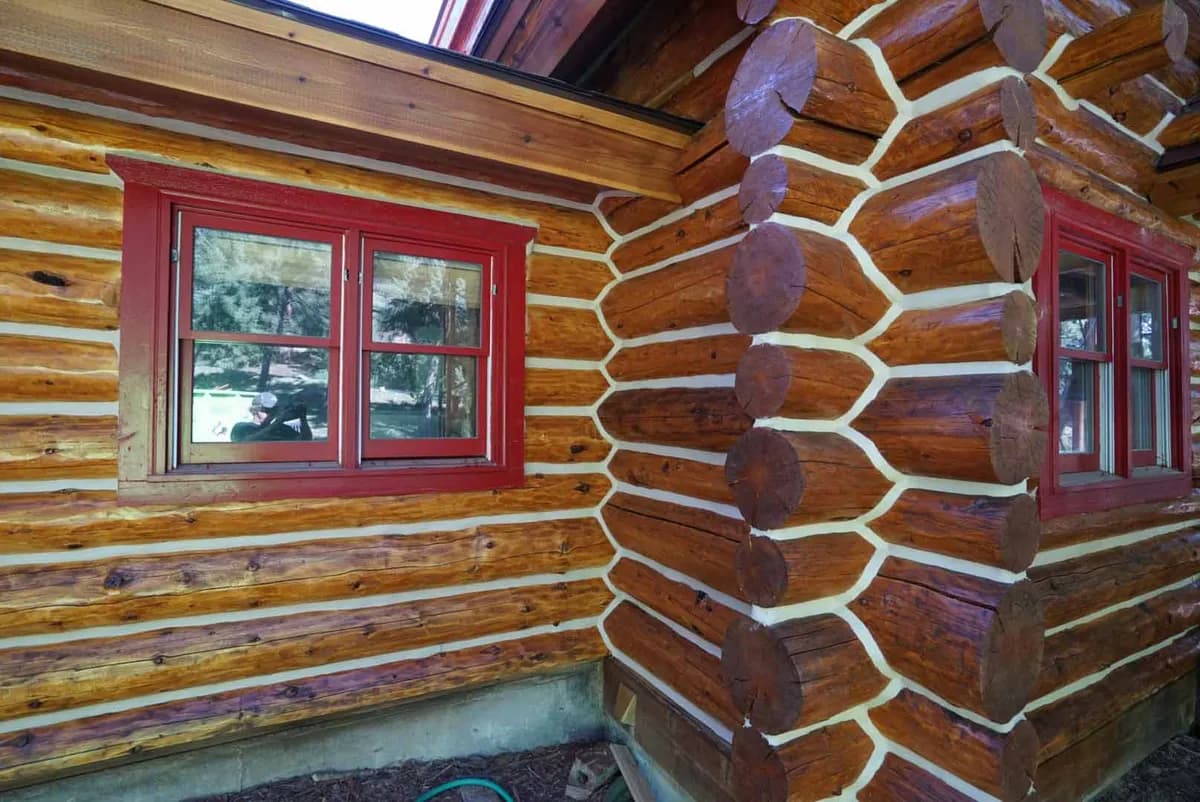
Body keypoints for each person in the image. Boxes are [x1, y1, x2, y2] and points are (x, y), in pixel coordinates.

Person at [230, 391, 313, 442]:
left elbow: (306, 441)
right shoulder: (242, 427)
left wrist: (303, 418)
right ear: (253, 410)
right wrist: (277, 422)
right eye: (267, 411)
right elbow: (247, 442)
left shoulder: (282, 429)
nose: (271, 414)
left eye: (274, 411)